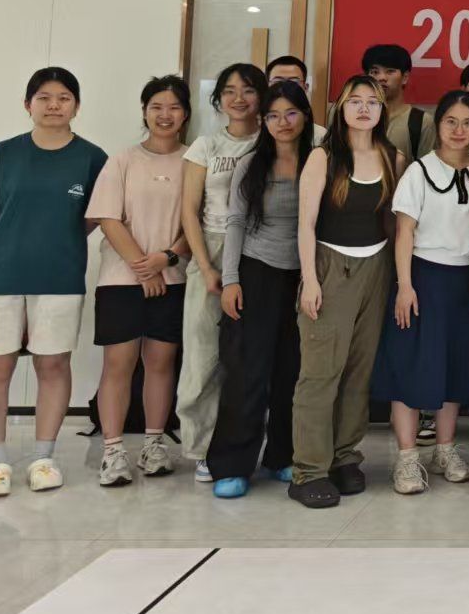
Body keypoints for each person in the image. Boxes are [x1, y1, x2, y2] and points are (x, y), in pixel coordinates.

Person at [0, 68, 108, 498]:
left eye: (64, 97)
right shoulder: (3, 153)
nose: (54, 105)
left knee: (53, 365)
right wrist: (11, 242)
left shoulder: (92, 158)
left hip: (60, 276)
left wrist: (56, 242)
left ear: (77, 106)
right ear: (28, 104)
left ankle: (44, 458)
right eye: (44, 97)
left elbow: (96, 217)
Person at [289, 76, 402, 508]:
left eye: (372, 102)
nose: (363, 108)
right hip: (329, 266)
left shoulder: (393, 156)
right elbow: (305, 223)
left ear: (382, 110)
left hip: (376, 268)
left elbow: (395, 221)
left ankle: (344, 458)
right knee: (321, 372)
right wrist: (310, 279)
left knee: (358, 371)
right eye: (355, 101)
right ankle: (309, 470)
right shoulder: (323, 156)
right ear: (341, 108)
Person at [372, 90, 469, 495]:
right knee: (411, 364)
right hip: (422, 277)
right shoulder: (419, 171)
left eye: (467, 122)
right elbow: (405, 231)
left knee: (455, 365)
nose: (459, 130)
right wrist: (405, 285)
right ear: (439, 125)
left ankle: (445, 449)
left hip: (467, 279)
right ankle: (406, 457)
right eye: (451, 121)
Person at [207, 79, 312, 498]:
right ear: (262, 120)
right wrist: (231, 279)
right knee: (247, 372)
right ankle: (232, 465)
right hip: (256, 272)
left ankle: (283, 455)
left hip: (304, 277)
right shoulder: (251, 164)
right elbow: (235, 222)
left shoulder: (320, 161)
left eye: (291, 113)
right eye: (272, 115)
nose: (282, 122)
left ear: (305, 116)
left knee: (293, 371)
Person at [87, 75, 192, 488]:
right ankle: (113, 451)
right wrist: (142, 267)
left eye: (174, 107)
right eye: (156, 107)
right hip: (121, 280)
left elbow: (198, 222)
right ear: (144, 112)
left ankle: (154, 444)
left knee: (162, 363)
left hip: (174, 277)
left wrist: (166, 258)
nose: (165, 115)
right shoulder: (122, 160)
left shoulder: (193, 161)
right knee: (119, 364)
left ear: (186, 114)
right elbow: (108, 218)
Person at [178, 62, 266, 481]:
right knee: (203, 355)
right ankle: (201, 447)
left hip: (260, 250)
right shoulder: (206, 146)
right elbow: (189, 211)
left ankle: (249, 444)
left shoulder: (273, 140)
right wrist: (205, 266)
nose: (238, 99)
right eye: (229, 91)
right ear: (218, 100)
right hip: (211, 249)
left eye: (248, 90)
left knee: (250, 358)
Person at [364, 43, 430, 161]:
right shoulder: (354, 117)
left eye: (390, 71)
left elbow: (427, 168)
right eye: (375, 72)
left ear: (405, 77)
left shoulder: (422, 122)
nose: (382, 78)